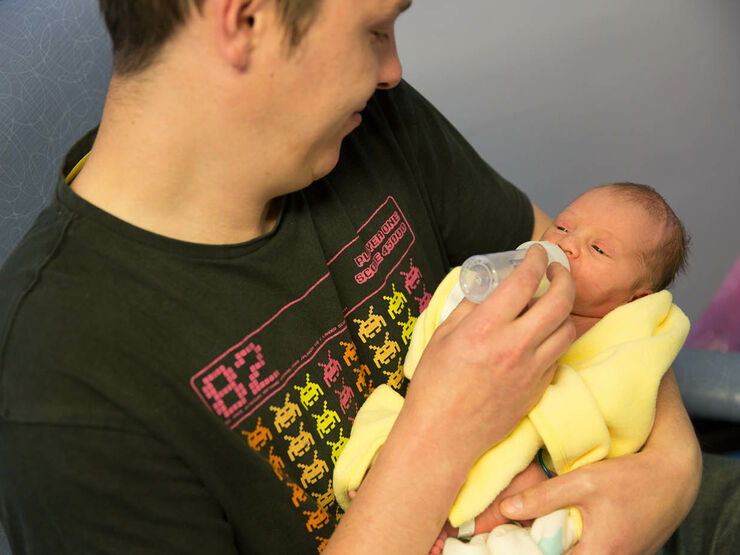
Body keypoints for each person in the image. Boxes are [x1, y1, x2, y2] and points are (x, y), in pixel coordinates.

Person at [0, 1, 732, 553]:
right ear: (245, 18)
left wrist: (670, 470)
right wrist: (440, 427)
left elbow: (592, 280)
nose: (393, 70)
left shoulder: (372, 127)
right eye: (375, 30)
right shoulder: (60, 380)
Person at [334, 183, 692, 554]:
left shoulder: (623, 336)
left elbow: (621, 403)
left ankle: (458, 524)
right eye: (564, 228)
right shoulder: (518, 290)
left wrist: (677, 469)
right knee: (383, 416)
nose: (567, 246)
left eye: (598, 249)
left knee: (526, 482)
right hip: (441, 433)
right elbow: (439, 349)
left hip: (546, 459)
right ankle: (388, 483)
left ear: (635, 298)